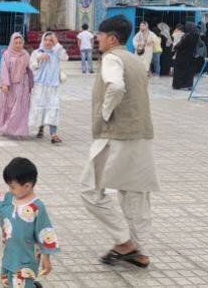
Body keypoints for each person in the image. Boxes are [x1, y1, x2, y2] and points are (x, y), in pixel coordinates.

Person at [81, 15, 159, 269]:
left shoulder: (112, 58)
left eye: (100, 35)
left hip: (116, 136)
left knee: (90, 190)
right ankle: (141, 251)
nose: (97, 39)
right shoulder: (135, 60)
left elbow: (115, 87)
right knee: (135, 194)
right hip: (141, 136)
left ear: (112, 38)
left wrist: (105, 113)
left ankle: (125, 243)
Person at [0, 158, 59, 287]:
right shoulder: (8, 200)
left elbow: (45, 233)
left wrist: (47, 258)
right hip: (9, 256)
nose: (10, 190)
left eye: (13, 187)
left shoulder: (37, 208)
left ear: (27, 186)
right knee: (8, 281)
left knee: (20, 283)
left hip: (26, 261)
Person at [29, 32, 68, 144]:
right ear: (42, 40)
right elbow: (32, 67)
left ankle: (53, 134)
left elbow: (65, 57)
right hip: (39, 86)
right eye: (46, 40)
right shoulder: (36, 52)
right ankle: (40, 128)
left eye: (51, 40)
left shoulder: (57, 52)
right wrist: (39, 58)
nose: (48, 42)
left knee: (53, 108)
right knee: (41, 107)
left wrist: (57, 44)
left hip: (53, 86)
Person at [0, 33, 33, 138]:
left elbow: (30, 70)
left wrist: (31, 83)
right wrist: (4, 83)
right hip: (10, 87)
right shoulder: (7, 54)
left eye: (20, 43)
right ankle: (5, 128)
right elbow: (4, 70)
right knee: (8, 108)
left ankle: (20, 131)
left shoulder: (25, 54)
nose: (18, 45)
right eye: (16, 43)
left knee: (20, 109)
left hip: (23, 85)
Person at [172, 22, 200, 90]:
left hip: (182, 57)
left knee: (179, 71)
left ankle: (179, 85)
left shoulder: (187, 36)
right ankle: (188, 85)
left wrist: (175, 47)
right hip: (191, 57)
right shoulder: (196, 36)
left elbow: (180, 45)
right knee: (189, 72)